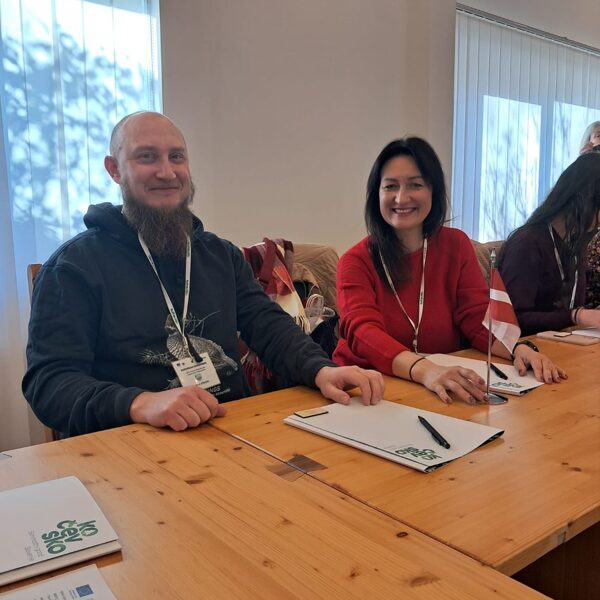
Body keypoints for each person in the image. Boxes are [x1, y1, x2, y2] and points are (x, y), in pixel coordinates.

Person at [23, 111, 383, 437]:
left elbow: (269, 326)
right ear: (114, 169)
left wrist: (321, 369)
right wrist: (140, 403)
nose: (167, 172)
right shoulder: (72, 268)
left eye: (176, 157)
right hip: (131, 445)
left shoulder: (219, 255)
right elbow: (49, 384)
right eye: (147, 156)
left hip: (231, 431)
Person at [334, 137, 565, 406]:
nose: (401, 197)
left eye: (415, 185)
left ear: (433, 190)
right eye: (390, 186)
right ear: (376, 194)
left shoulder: (456, 245)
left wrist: (518, 348)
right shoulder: (355, 261)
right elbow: (363, 334)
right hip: (366, 391)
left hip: (438, 386)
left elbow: (476, 316)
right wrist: (425, 370)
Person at [498, 152, 600, 334]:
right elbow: (512, 320)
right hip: (529, 346)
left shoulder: (575, 244)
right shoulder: (527, 243)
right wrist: (576, 316)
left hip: (565, 343)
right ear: (583, 201)